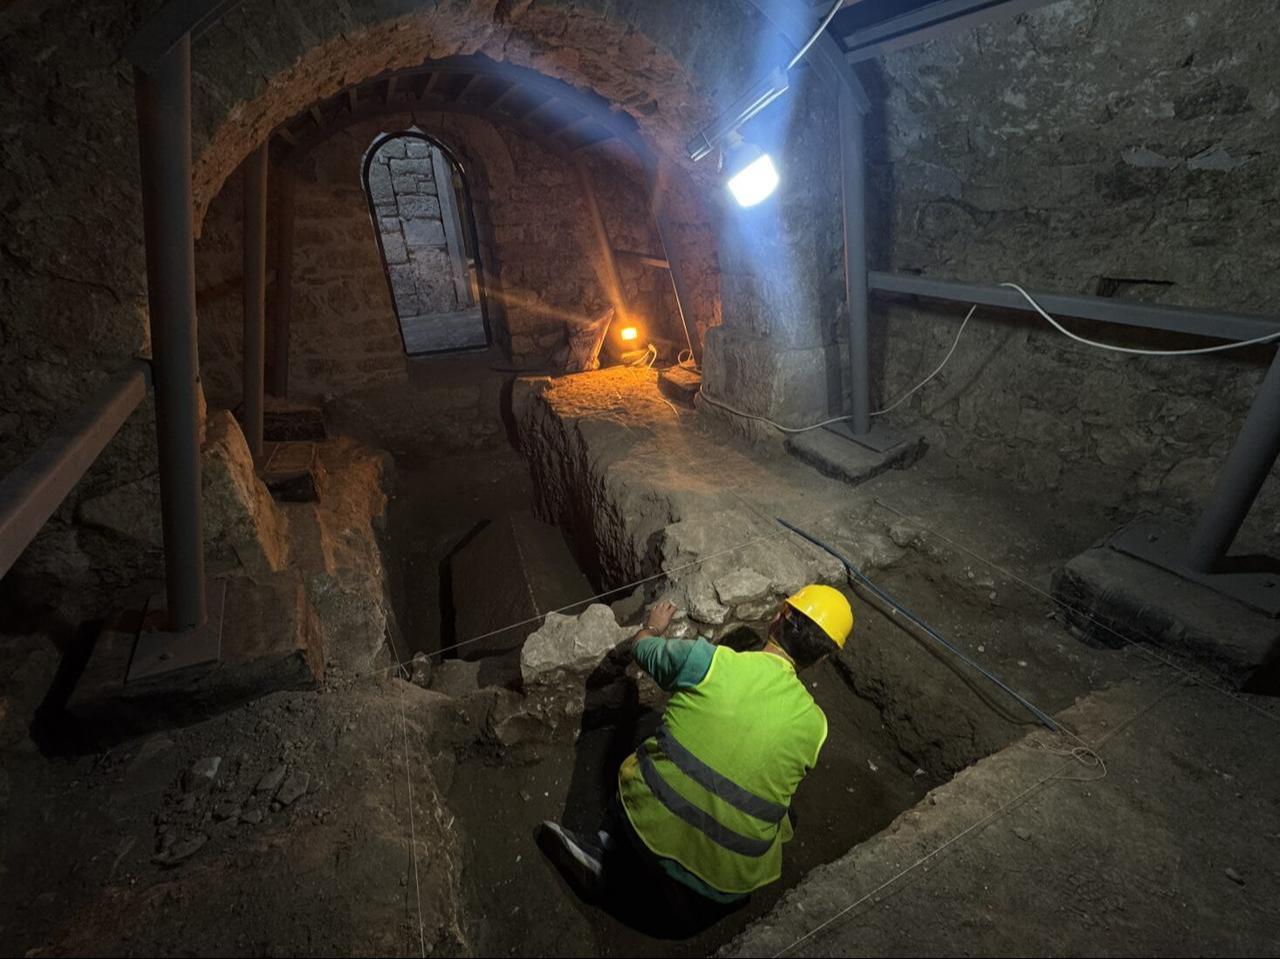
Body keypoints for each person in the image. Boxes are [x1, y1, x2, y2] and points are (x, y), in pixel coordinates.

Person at [539, 584, 854, 934]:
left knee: (649, 749)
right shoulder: (816, 726)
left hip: (647, 838)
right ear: (823, 657)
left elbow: (643, 649)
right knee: (781, 808)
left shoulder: (709, 661)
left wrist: (653, 626)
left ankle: (604, 852)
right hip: (727, 887)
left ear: (778, 618)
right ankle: (702, 897)